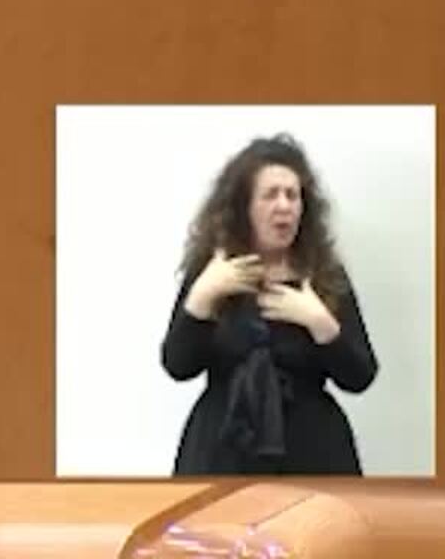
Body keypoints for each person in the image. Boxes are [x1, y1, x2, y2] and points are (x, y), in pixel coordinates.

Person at [161, 133, 377, 475]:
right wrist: (201, 298)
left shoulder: (323, 274)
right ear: (244, 206)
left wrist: (319, 322)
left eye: (293, 195)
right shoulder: (214, 270)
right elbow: (178, 365)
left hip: (314, 455)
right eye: (270, 195)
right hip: (222, 452)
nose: (284, 206)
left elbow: (360, 376)